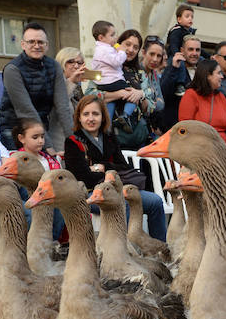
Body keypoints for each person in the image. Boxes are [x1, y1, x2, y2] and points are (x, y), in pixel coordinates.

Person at [62, 96, 167, 240]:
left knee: (155, 201)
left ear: (103, 117)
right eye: (86, 114)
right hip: (91, 195)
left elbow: (124, 166)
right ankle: (124, 251)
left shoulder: (109, 137)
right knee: (123, 204)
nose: (91, 119)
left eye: (95, 114)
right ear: (79, 118)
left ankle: (160, 250)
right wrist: (110, 174)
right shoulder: (73, 142)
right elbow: (81, 177)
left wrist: (104, 167)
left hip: (118, 190)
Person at [0, 22, 73, 154]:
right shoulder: (12, 69)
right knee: (22, 169)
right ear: (23, 44)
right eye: (31, 41)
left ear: (47, 45)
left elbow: (63, 107)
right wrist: (47, 145)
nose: (36, 46)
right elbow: (26, 111)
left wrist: (74, 141)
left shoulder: (54, 66)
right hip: (14, 128)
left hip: (41, 127)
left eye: (40, 42)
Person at [178, 59, 226, 149]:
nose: (222, 77)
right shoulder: (191, 94)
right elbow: (184, 126)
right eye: (218, 73)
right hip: (199, 150)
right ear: (208, 75)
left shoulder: (220, 96)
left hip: (223, 151)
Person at [89, 20, 139, 127]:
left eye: (135, 47)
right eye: (127, 44)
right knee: (131, 95)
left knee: (111, 102)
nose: (129, 50)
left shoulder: (139, 72)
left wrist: (141, 93)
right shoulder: (105, 50)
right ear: (101, 37)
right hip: (113, 82)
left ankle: (108, 124)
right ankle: (125, 116)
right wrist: (121, 51)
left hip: (104, 84)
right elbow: (89, 92)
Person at [160, 34, 202, 130]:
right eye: (190, 49)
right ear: (182, 51)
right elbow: (163, 93)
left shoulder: (203, 69)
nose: (195, 53)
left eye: (197, 50)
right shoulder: (173, 66)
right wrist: (174, 68)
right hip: (175, 127)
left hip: (197, 128)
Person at [141, 38, 166, 136]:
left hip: (149, 127)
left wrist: (150, 102)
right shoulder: (135, 71)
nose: (155, 59)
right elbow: (143, 105)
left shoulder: (154, 74)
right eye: (152, 54)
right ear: (143, 53)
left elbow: (162, 105)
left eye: (159, 56)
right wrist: (154, 101)